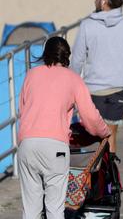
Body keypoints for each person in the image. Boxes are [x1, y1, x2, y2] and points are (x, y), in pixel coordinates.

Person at [17, 37, 110, 219]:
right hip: (55, 148)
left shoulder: (31, 75)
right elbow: (90, 117)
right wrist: (103, 131)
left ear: (45, 54)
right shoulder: (73, 79)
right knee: (55, 208)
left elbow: (23, 110)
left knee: (30, 208)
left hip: (27, 144)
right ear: (67, 56)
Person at [71, 0, 123, 153]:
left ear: (103, 0)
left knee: (93, 136)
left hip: (93, 90)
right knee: (111, 135)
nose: (94, 1)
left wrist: (74, 88)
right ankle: (110, 177)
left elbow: (77, 61)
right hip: (118, 89)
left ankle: (94, 177)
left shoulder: (87, 26)